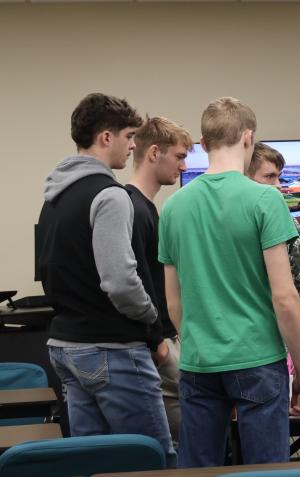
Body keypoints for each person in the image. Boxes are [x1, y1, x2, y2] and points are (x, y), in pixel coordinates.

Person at [158, 97, 300, 467]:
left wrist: (199, 342)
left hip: (198, 362)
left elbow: (173, 301)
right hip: (258, 359)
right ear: (248, 137)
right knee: (266, 470)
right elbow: (286, 298)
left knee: (198, 469)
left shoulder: (173, 207)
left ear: (203, 141)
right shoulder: (264, 200)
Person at [37, 93, 176, 467]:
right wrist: (152, 318)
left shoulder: (54, 195)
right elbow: (120, 281)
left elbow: (48, 269)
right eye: (129, 135)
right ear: (105, 137)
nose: (133, 145)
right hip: (111, 349)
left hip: (66, 347)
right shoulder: (110, 195)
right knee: (151, 461)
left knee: (98, 465)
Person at [126, 116, 193, 447]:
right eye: (179, 156)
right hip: (159, 342)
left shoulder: (147, 208)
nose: (183, 166)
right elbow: (136, 283)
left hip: (164, 338)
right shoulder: (135, 210)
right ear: (154, 153)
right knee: (179, 445)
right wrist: (158, 343)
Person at [247, 142, 300, 348]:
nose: (277, 185)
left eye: (278, 176)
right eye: (269, 177)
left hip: (276, 343)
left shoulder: (286, 221)